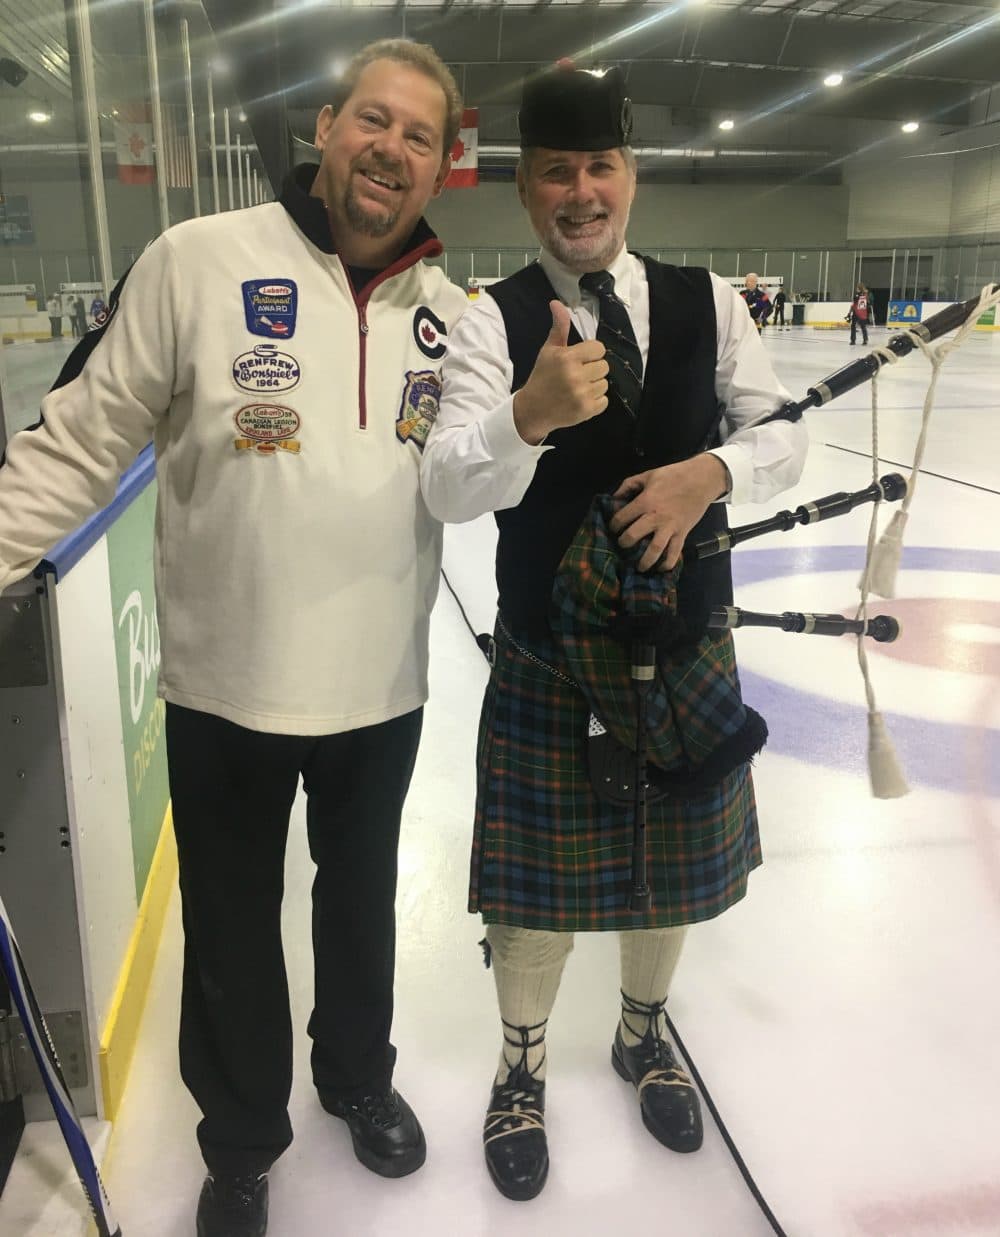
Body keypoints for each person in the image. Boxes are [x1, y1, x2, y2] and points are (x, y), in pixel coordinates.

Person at [0, 38, 467, 1237]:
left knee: (358, 909)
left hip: (382, 689)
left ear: (441, 168)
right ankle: (243, 1139)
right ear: (324, 128)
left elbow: (478, 479)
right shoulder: (197, 261)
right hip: (224, 687)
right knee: (230, 929)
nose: (390, 150)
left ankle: (357, 1077)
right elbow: (81, 437)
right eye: (374, 120)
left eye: (419, 136)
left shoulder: (451, 316)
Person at [421, 63, 808, 1202]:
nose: (579, 192)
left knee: (673, 870)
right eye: (554, 172)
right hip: (548, 645)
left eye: (599, 167)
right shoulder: (487, 321)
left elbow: (782, 432)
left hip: (684, 638)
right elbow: (447, 488)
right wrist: (527, 416)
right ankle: (522, 1064)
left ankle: (643, 1032)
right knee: (535, 891)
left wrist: (712, 472)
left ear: (629, 175)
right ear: (524, 188)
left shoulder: (707, 302)